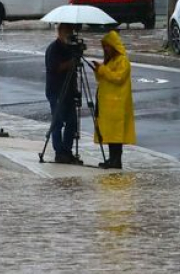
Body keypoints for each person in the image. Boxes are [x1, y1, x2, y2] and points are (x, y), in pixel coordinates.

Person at [92, 29, 136, 170]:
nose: (105, 49)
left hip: (117, 103)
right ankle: (112, 159)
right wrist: (98, 70)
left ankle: (116, 160)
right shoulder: (110, 61)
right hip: (108, 103)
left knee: (116, 134)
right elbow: (103, 78)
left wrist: (103, 70)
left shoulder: (122, 61)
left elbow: (118, 78)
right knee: (110, 133)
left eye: (107, 46)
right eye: (104, 47)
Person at [44, 22, 82, 164]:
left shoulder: (71, 48)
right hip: (56, 90)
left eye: (71, 30)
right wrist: (70, 63)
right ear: (60, 31)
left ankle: (67, 150)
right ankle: (59, 152)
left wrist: (76, 89)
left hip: (69, 91)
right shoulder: (53, 49)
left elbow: (75, 72)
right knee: (58, 121)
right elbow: (54, 68)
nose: (69, 33)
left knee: (72, 121)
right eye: (66, 30)